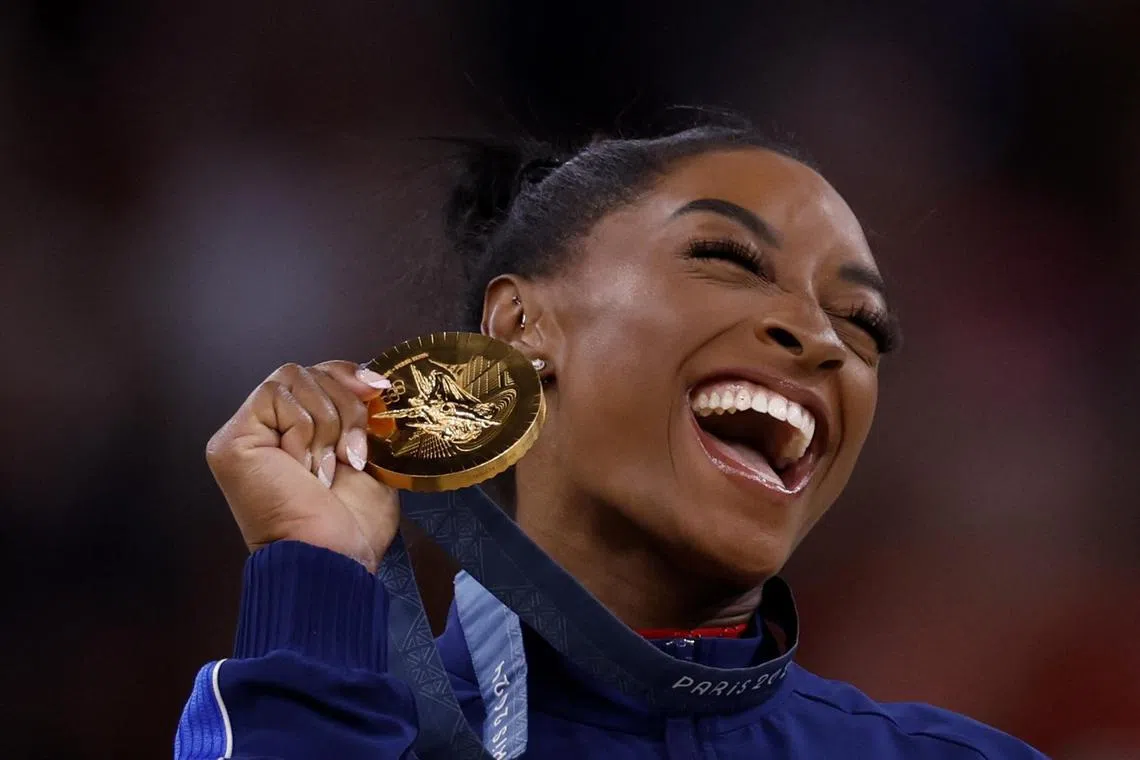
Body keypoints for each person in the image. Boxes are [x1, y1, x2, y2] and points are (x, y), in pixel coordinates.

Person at [174, 120, 1047, 758]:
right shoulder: (329, 726)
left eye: (863, 325)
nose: (822, 338)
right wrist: (314, 572)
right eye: (730, 260)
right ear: (520, 325)